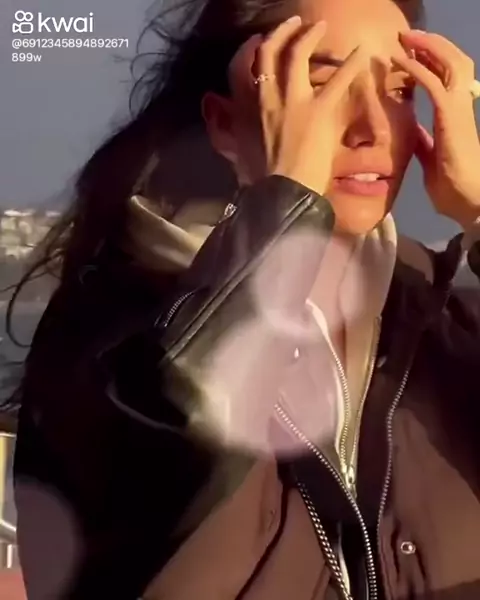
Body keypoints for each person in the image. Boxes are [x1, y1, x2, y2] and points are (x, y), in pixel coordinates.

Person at [10, 0, 480, 597]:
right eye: (322, 86)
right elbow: (190, 417)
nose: (371, 128)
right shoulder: (111, 324)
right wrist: (287, 204)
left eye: (399, 91)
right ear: (224, 123)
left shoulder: (435, 308)